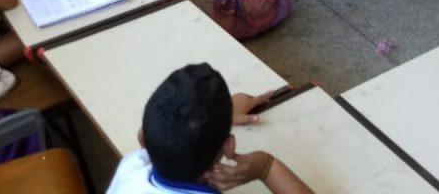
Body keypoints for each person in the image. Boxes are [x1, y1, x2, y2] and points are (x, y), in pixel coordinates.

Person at [106, 64, 313, 194]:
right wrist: (266, 167)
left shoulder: (130, 168)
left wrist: (218, 117)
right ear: (229, 147)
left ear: (142, 138)